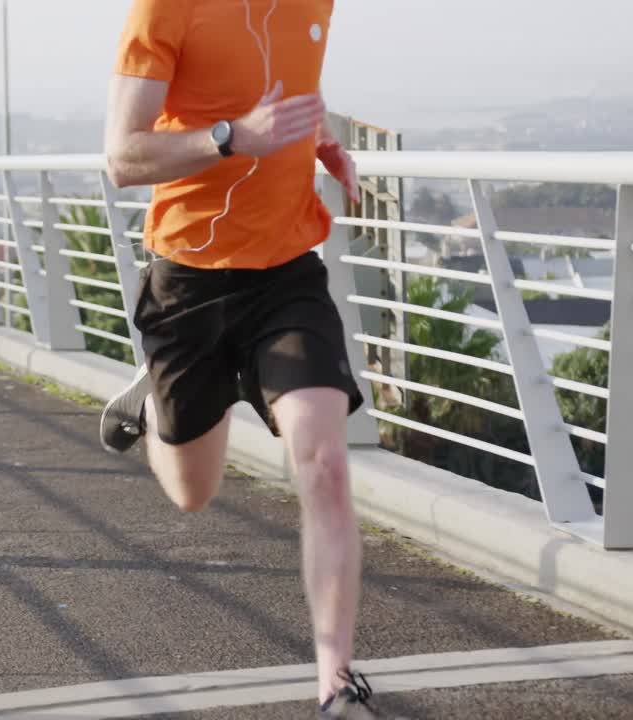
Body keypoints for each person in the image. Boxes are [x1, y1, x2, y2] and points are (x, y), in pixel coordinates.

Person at [99, 2, 404, 718]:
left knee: (324, 461)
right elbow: (122, 158)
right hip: (189, 279)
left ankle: (335, 677)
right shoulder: (164, 8)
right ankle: (153, 405)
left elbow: (286, 84)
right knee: (191, 493)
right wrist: (236, 138)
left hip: (285, 275)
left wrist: (319, 140)